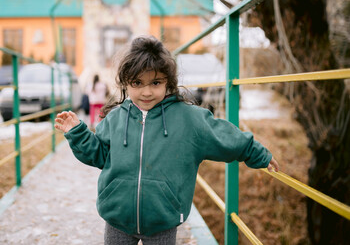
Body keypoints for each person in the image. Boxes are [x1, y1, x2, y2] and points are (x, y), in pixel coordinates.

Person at [55, 36, 279, 245]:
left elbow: (224, 137)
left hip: (163, 219)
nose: (146, 92)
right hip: (118, 216)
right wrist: (78, 133)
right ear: (126, 83)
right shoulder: (115, 118)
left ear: (168, 82)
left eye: (155, 83)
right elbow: (99, 154)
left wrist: (257, 154)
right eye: (137, 83)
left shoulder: (188, 119)